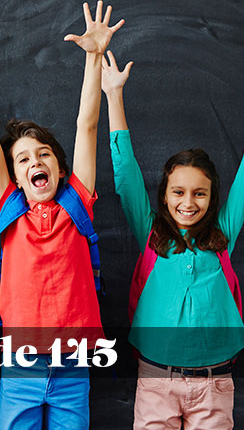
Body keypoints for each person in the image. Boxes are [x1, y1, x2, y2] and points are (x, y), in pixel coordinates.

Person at [0, 1, 124, 429]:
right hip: (20, 365)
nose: (34, 162)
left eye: (43, 155)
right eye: (22, 159)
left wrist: (94, 57)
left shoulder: (76, 202)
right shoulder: (10, 207)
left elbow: (87, 126)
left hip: (73, 364)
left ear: (60, 168)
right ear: (16, 178)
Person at [102, 49, 244, 430]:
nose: (188, 202)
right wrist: (114, 96)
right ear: (164, 195)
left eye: (200, 193)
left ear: (213, 198)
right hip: (156, 380)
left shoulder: (223, 236)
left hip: (215, 382)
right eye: (178, 192)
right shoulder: (151, 235)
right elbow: (127, 175)